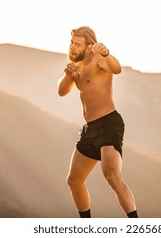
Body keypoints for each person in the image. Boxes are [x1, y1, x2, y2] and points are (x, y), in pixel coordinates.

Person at [57, 26, 138, 218]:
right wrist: (68, 74)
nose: (72, 47)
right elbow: (61, 91)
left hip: (109, 123)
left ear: (88, 46)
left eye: (77, 44)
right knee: (74, 180)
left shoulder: (97, 59)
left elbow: (116, 69)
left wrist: (107, 53)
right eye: (72, 43)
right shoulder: (76, 67)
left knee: (112, 176)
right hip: (90, 129)